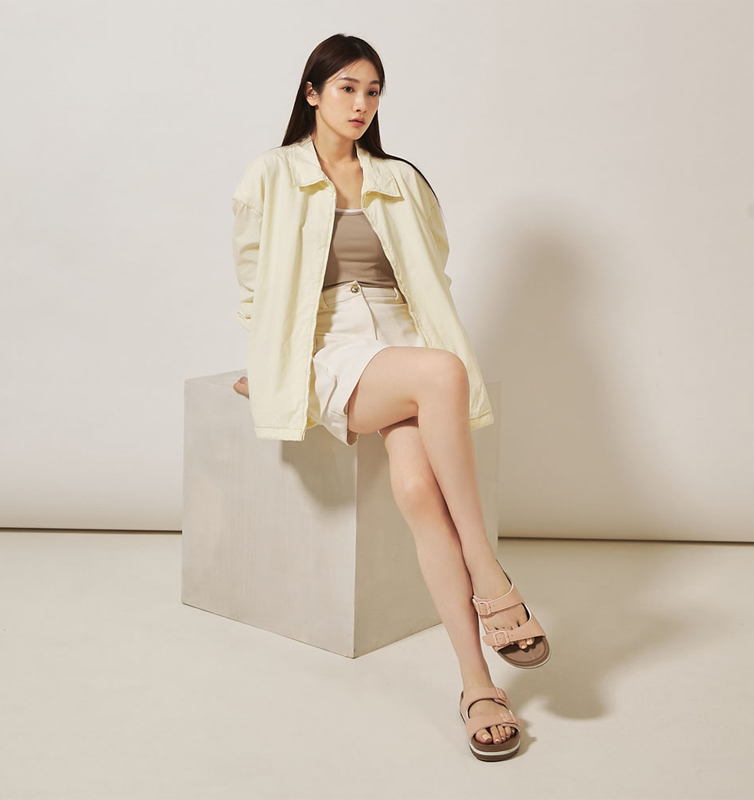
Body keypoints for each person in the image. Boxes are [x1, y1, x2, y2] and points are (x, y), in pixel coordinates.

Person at [230, 33, 550, 762]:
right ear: (312, 93)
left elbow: (430, 271)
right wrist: (268, 367)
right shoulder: (271, 175)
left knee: (416, 493)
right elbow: (253, 286)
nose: (361, 104)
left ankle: (478, 686)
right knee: (442, 373)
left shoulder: (400, 179)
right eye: (346, 88)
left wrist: (413, 341)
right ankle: (490, 575)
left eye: (372, 91)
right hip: (327, 347)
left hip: (400, 345)